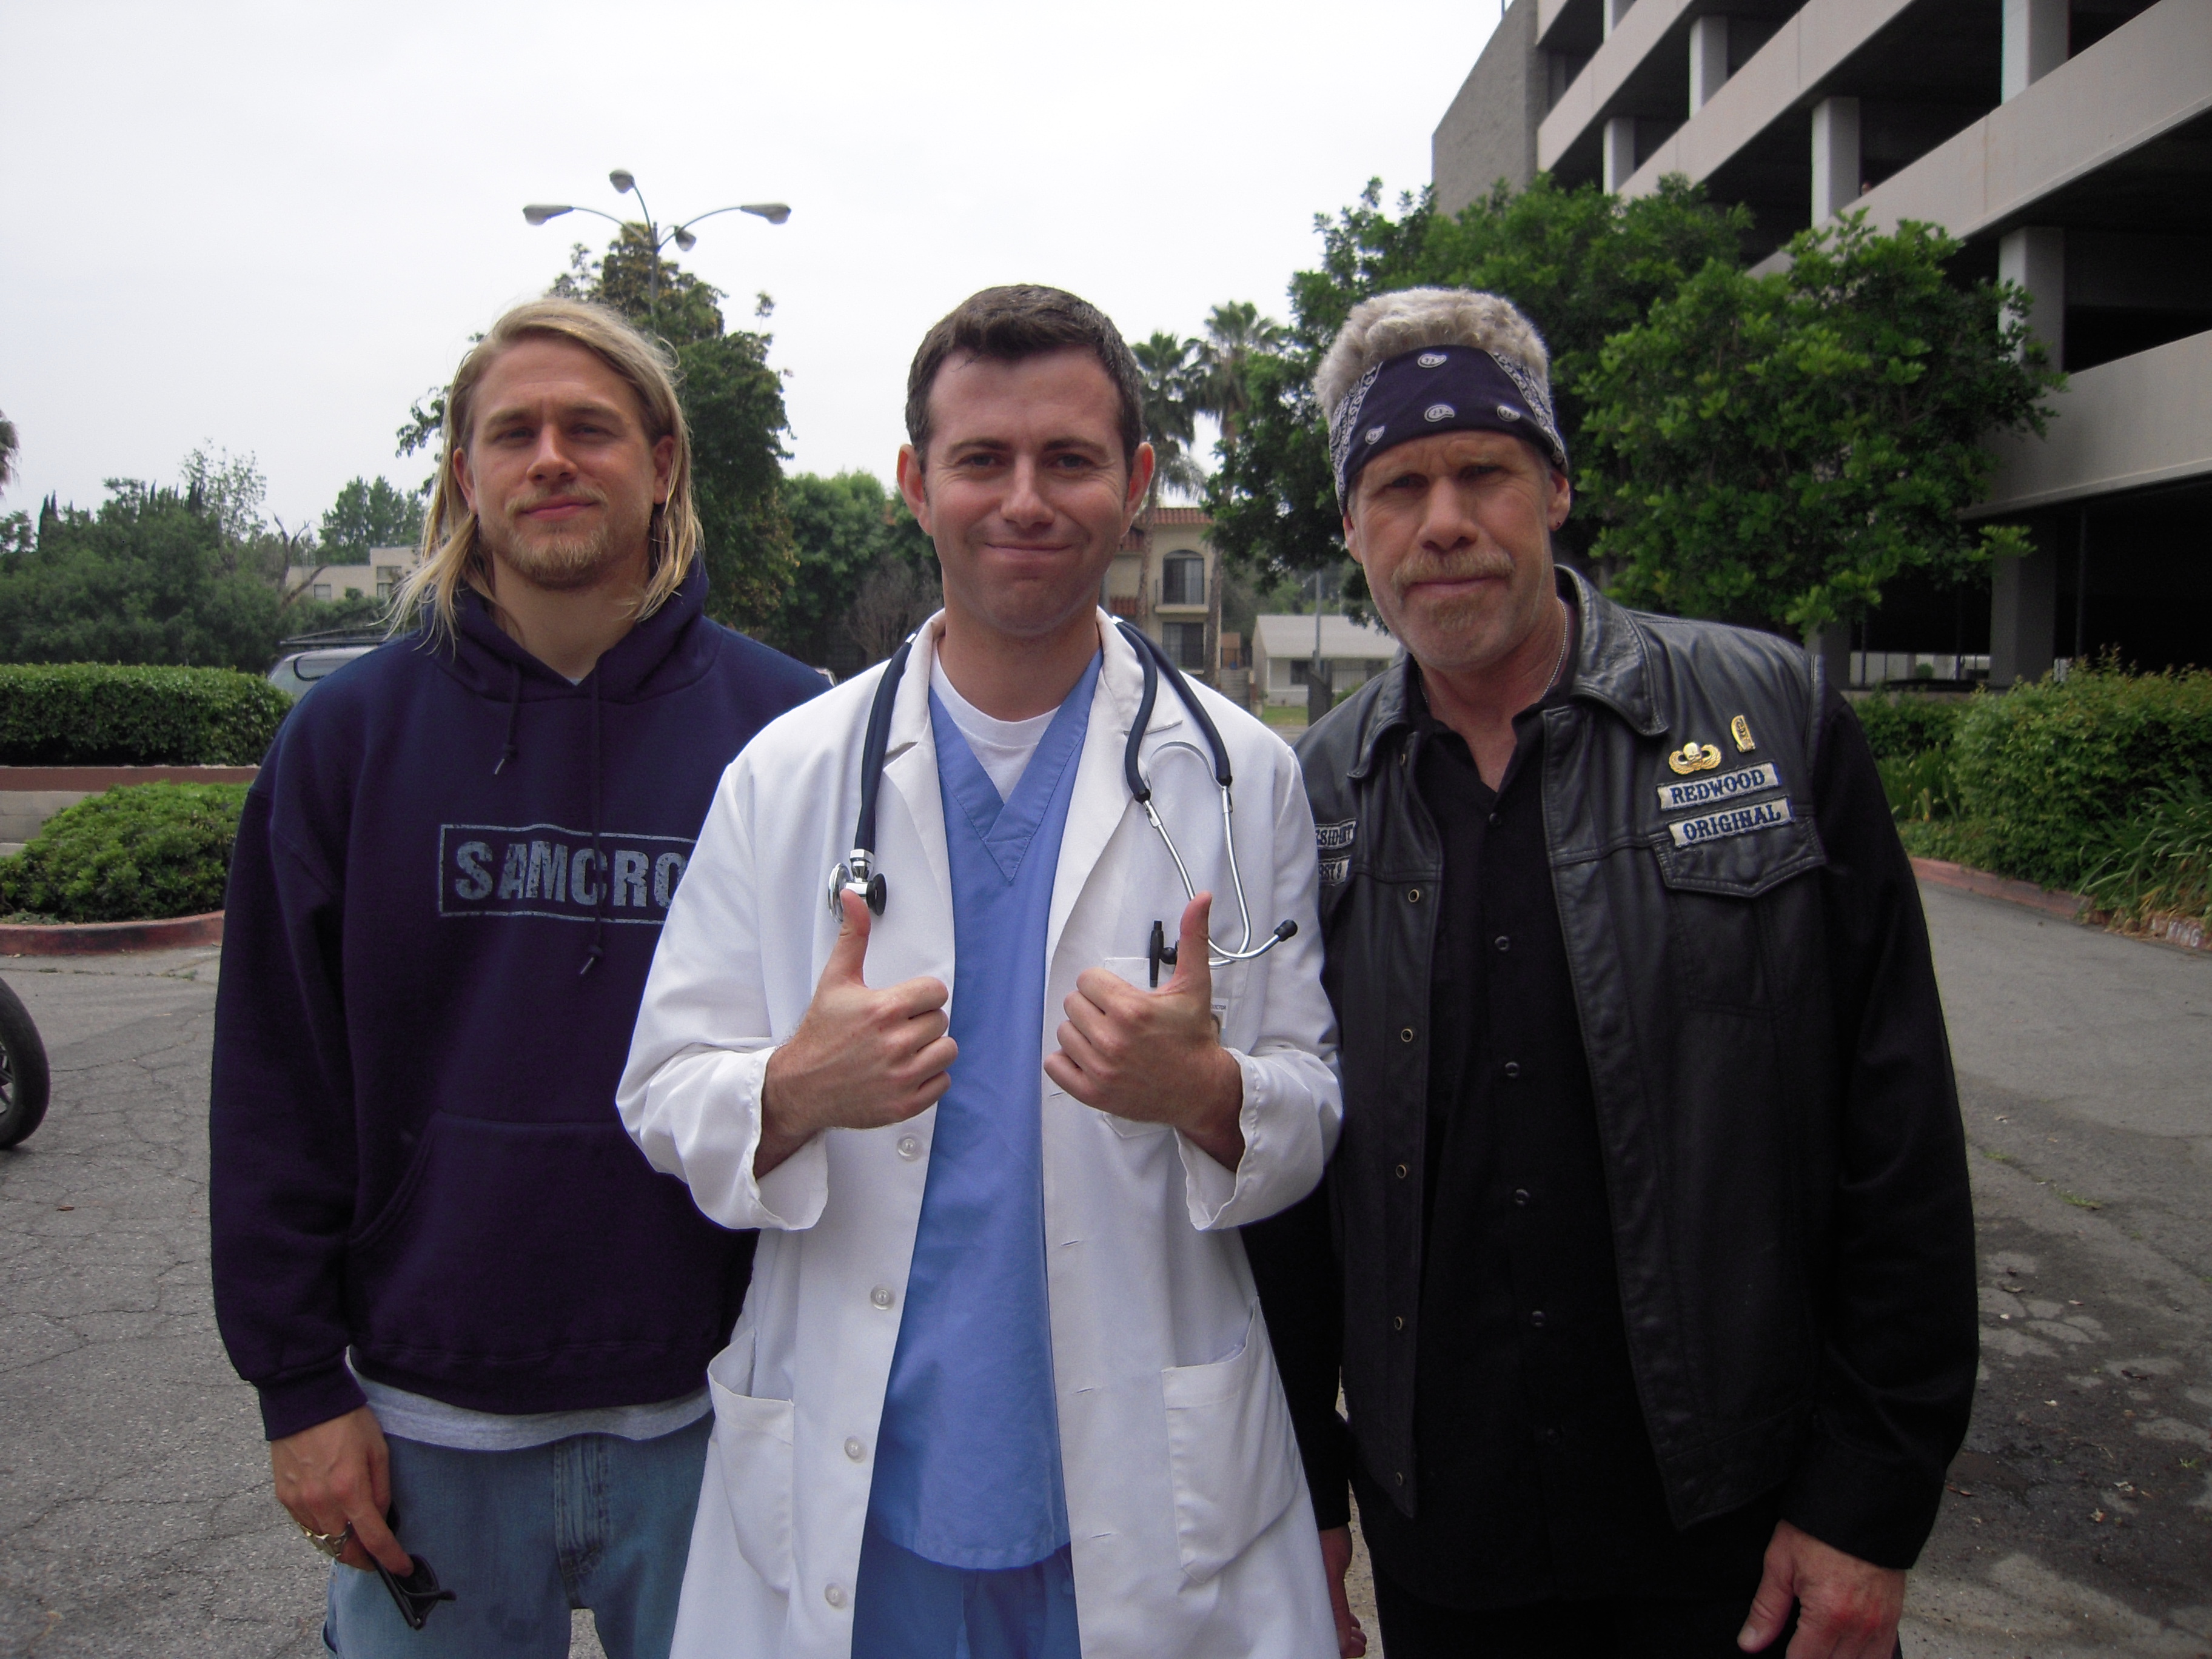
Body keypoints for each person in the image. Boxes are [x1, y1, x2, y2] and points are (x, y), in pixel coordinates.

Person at [1246, 287, 1979, 1659]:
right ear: (1352, 532)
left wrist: (1870, 1501)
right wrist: (1309, 1490)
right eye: (1397, 486)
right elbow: (1293, 1184)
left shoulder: (1774, 718)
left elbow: (1899, 1142)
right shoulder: (1311, 795)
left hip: (1740, 1532)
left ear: (1559, 488)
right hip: (1449, 1541)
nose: (1444, 520)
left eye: (1485, 474)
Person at [617, 284, 1342, 1659]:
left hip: (1142, 1502)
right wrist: (789, 1089)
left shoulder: (1237, 775)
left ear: (1134, 487)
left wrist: (1210, 1094)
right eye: (981, 460)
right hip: (865, 1498)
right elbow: (662, 1089)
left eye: (1069, 460)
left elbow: (1307, 1105)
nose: (1025, 498)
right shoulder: (789, 776)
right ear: (914, 483)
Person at [209, 298, 826, 1657]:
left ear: (663, 461)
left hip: (723, 1411)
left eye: (590, 428)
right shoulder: (342, 741)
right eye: (514, 433)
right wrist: (296, 1390)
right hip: (429, 1432)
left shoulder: (789, 734)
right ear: (465, 475)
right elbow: (273, 1087)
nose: (551, 457)